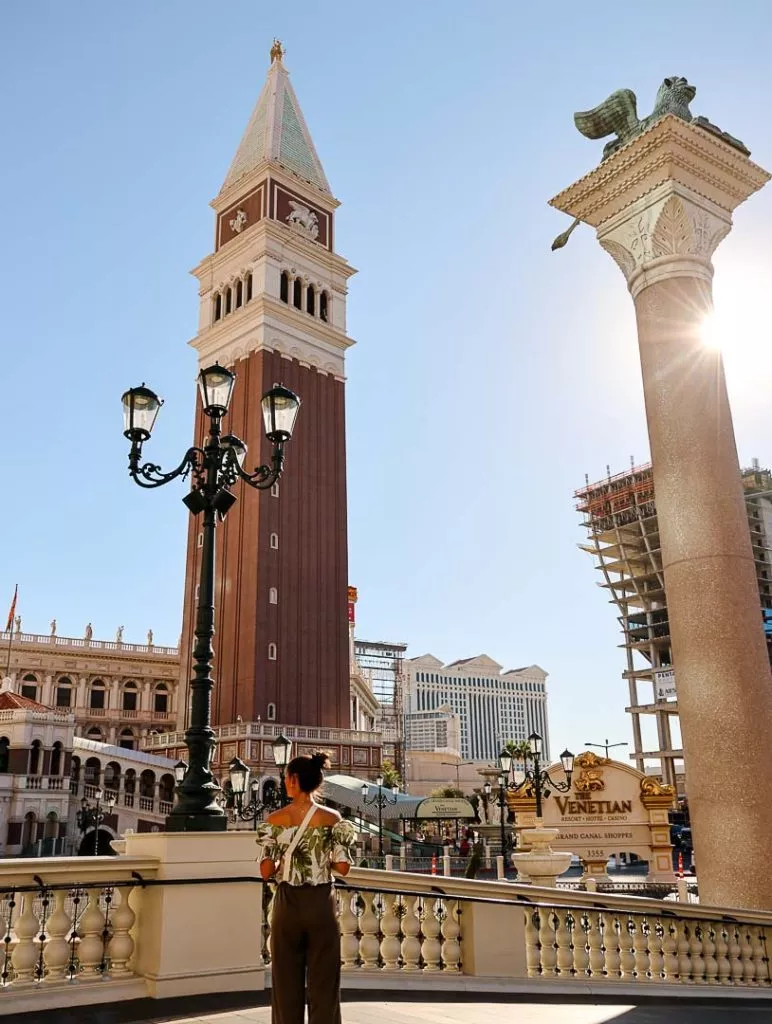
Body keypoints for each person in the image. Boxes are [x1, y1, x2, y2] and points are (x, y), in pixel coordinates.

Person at [256, 751, 355, 1024]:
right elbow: (344, 867)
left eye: (286, 778)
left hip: (288, 903)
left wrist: (284, 863)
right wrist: (320, 863)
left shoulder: (275, 820)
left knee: (285, 982)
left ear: (293, 780)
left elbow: (265, 871)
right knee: (325, 981)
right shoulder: (332, 818)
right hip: (322, 903)